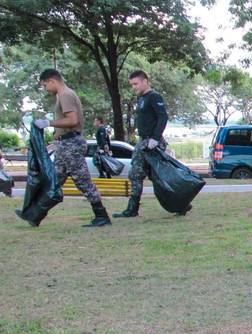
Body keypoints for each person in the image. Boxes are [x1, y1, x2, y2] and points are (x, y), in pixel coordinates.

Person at [18, 69, 110, 227]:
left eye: (45, 85)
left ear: (52, 81)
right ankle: (34, 215)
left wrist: (49, 123)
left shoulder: (66, 95)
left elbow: (72, 120)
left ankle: (101, 215)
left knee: (83, 182)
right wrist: (55, 141)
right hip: (66, 144)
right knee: (53, 182)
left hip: (71, 145)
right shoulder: (63, 95)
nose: (45, 89)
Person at [113, 70, 182, 217]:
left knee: (157, 176)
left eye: (136, 83)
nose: (134, 87)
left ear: (145, 81)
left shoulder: (153, 97)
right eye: (132, 84)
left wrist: (155, 138)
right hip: (144, 141)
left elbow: (163, 117)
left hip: (151, 142)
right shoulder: (142, 99)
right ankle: (133, 208)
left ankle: (181, 202)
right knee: (138, 175)